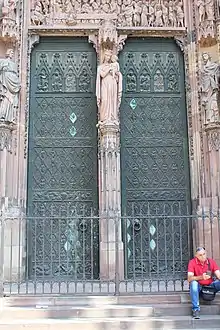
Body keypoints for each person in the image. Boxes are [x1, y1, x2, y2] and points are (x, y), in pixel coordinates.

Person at [187, 247, 220, 319]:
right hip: (199, 287)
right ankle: (195, 309)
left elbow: (218, 274)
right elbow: (189, 278)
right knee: (193, 284)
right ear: (196, 256)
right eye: (200, 255)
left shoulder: (211, 262)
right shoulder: (192, 262)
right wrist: (201, 277)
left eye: (204, 254)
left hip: (210, 286)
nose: (203, 256)